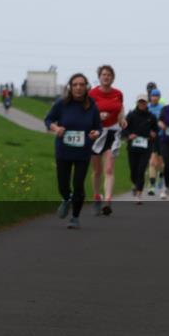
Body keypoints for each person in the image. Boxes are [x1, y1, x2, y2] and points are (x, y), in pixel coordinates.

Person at [45, 73, 103, 229]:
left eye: (82, 84)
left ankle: (75, 217)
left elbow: (98, 127)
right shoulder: (61, 104)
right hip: (63, 150)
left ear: (86, 87)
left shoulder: (91, 105)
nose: (78, 87)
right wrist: (56, 128)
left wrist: (96, 133)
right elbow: (48, 120)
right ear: (70, 87)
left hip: (82, 152)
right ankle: (66, 198)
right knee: (63, 185)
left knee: (78, 184)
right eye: (75, 84)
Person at [88, 65, 124, 215]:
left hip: (113, 133)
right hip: (97, 133)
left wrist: (123, 120)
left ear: (112, 77)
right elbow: (86, 112)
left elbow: (120, 109)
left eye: (109, 75)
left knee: (109, 169)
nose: (106, 77)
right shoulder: (92, 93)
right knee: (97, 171)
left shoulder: (118, 93)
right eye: (103, 74)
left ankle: (108, 201)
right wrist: (97, 116)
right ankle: (97, 196)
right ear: (99, 77)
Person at [122, 93, 158, 204]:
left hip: (146, 147)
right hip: (133, 147)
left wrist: (153, 134)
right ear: (137, 103)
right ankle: (136, 184)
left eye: (144, 102)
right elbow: (124, 130)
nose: (142, 103)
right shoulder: (131, 115)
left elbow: (156, 130)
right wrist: (129, 135)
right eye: (140, 102)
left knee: (141, 170)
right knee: (133, 171)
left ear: (147, 103)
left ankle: (139, 194)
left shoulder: (151, 117)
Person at [146, 88, 165, 196]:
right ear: (150, 97)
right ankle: (152, 185)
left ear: (159, 97)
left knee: (161, 163)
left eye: (157, 96)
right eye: (153, 96)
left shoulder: (162, 108)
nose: (154, 98)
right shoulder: (147, 108)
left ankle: (161, 177)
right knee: (152, 162)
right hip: (151, 138)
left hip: (162, 138)